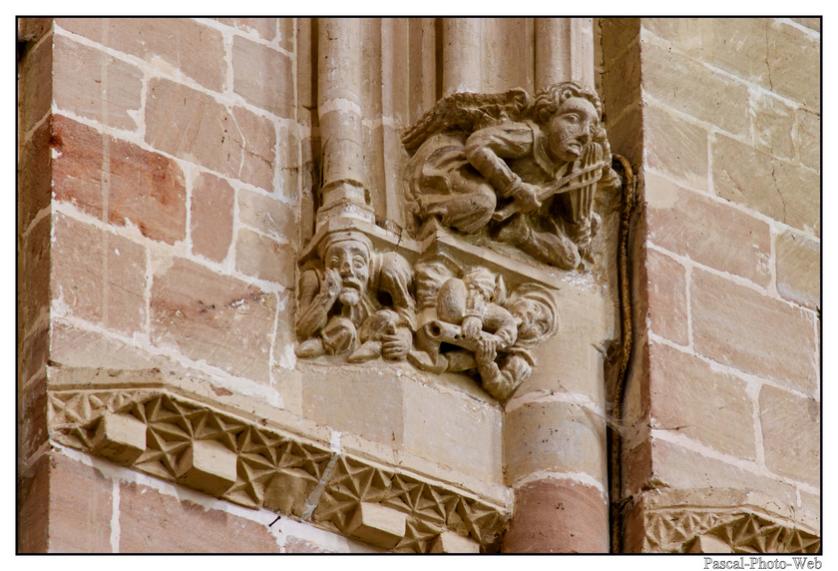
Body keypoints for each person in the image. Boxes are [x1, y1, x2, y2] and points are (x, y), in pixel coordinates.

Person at [405, 81, 618, 270]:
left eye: (592, 129)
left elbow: (572, 219)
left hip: (510, 211)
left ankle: (518, 233)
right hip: (465, 174)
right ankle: (427, 213)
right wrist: (516, 187)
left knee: (570, 257)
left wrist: (583, 224)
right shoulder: (529, 137)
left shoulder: (570, 168)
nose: (584, 133)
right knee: (482, 203)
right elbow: (477, 145)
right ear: (547, 118)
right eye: (572, 119)